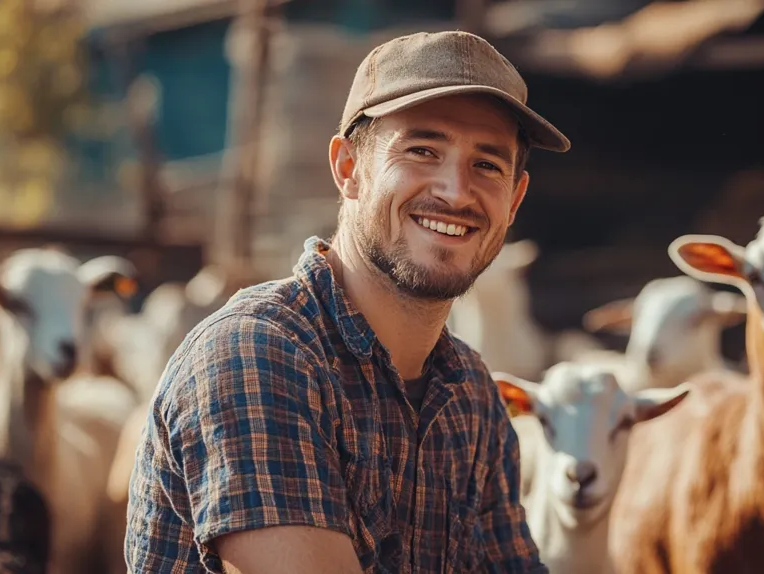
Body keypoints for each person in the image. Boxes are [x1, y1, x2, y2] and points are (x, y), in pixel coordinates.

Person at [124, 29, 570, 574]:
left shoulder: (470, 391)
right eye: (422, 150)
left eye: (487, 165)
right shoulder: (258, 355)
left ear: (515, 199)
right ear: (348, 169)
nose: (455, 192)